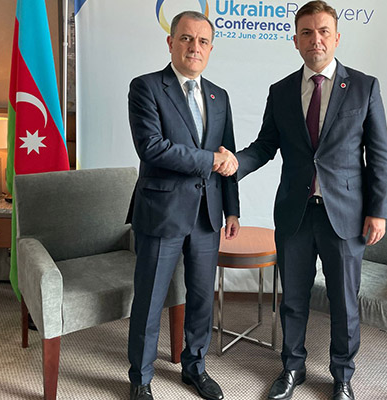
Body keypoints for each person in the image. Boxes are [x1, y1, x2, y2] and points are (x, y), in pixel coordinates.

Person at [236, 2, 387, 399]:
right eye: (306, 32)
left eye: (323, 31)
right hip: (296, 213)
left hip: (346, 216)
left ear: (337, 38)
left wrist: (378, 210)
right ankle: (292, 368)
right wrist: (232, 165)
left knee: (344, 303)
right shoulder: (281, 91)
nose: (315, 39)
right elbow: (265, 146)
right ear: (295, 41)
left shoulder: (364, 87)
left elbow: (379, 154)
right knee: (293, 299)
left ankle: (342, 376)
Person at [126, 10, 240, 400]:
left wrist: (232, 209)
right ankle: (140, 378)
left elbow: (228, 155)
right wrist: (210, 160)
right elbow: (152, 148)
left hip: (207, 215)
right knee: (150, 299)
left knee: (201, 298)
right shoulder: (146, 87)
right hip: (162, 212)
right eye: (187, 38)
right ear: (170, 42)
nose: (195, 47)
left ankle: (195, 368)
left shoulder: (219, 96)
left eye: (203, 41)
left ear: (210, 49)